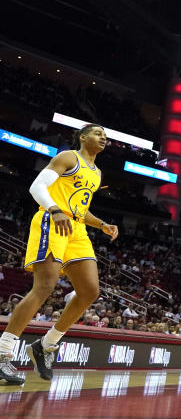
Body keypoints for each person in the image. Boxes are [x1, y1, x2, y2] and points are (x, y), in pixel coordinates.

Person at [0, 124, 118, 385]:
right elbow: (36, 187)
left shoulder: (97, 173)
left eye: (105, 136)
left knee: (89, 291)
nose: (103, 138)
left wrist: (101, 224)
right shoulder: (68, 158)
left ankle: (46, 345)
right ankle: (2, 352)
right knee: (44, 287)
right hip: (52, 221)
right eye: (97, 133)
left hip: (76, 228)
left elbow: (79, 209)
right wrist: (54, 209)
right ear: (83, 137)